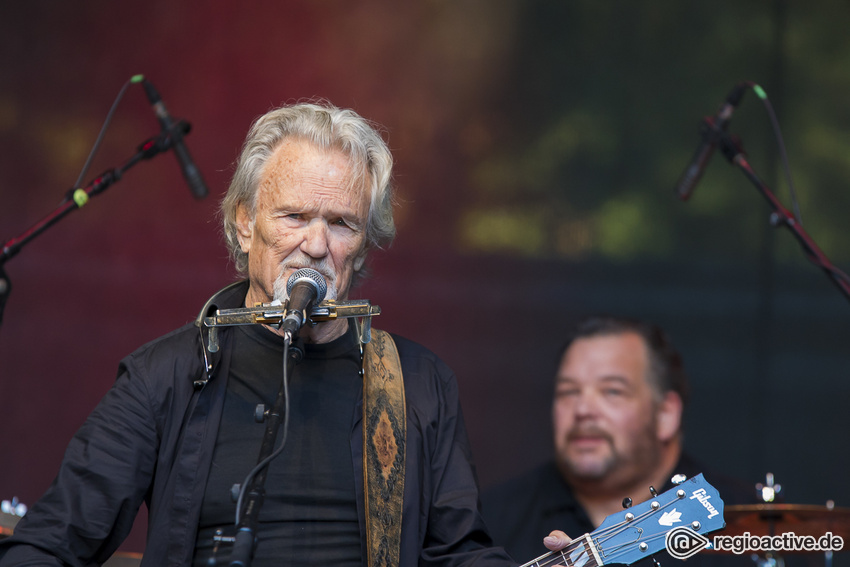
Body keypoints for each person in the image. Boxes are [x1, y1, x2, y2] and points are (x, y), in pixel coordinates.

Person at [0, 101, 567, 566]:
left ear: (364, 243)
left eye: (341, 223)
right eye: (294, 216)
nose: (316, 246)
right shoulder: (167, 374)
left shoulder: (416, 382)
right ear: (244, 224)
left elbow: (458, 552)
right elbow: (51, 542)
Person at [481, 316, 754, 565]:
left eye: (612, 391)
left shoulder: (755, 525)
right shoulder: (488, 521)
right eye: (568, 392)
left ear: (665, 414)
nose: (582, 410)